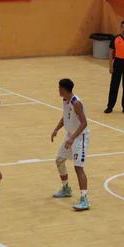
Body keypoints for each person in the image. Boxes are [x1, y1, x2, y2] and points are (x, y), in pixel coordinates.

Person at [51, 78, 90, 211]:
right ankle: (66, 188)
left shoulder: (76, 103)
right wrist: (56, 129)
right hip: (71, 136)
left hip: (80, 137)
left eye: (59, 87)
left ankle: (84, 199)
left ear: (64, 89)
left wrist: (72, 138)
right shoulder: (65, 100)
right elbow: (65, 117)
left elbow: (84, 123)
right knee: (59, 160)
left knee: (78, 167)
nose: (58, 89)